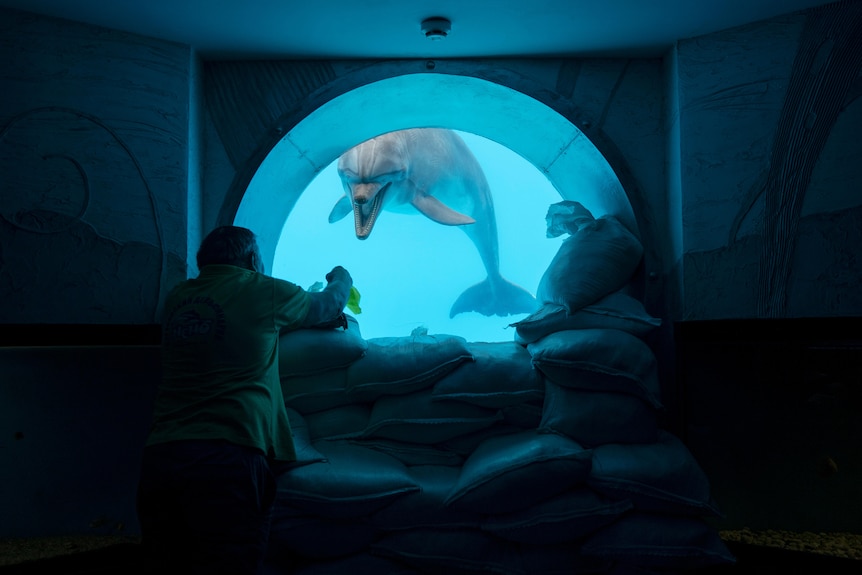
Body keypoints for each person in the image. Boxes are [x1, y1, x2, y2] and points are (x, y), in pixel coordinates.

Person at [136, 225, 353, 574]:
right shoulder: (262, 292)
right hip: (228, 454)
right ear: (253, 259)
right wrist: (342, 277)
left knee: (166, 563)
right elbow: (327, 306)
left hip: (161, 454)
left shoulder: (178, 298)